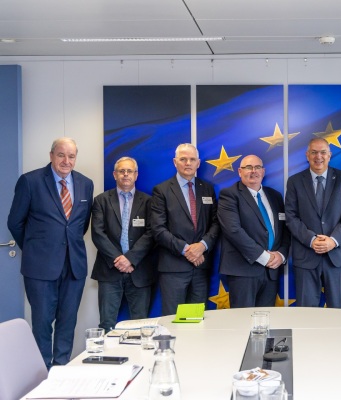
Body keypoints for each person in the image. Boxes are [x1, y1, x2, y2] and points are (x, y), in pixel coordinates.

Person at [7, 137, 94, 369]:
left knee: (68, 322)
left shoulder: (86, 184)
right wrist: (35, 248)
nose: (66, 161)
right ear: (51, 155)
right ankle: (43, 372)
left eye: (71, 156)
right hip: (40, 267)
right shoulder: (30, 181)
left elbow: (80, 224)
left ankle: (61, 369)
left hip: (74, 266)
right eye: (61, 155)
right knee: (42, 323)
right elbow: (15, 222)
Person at [285, 138, 341, 308]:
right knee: (307, 312)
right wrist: (311, 239)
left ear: (329, 155)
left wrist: (333, 240)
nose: (319, 156)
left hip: (337, 255)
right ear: (307, 155)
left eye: (323, 152)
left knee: (338, 310)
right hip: (306, 255)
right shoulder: (294, 181)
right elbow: (291, 216)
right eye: (314, 152)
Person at [151, 143, 220, 315]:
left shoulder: (208, 189)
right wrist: (187, 250)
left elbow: (216, 223)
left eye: (192, 159)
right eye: (183, 159)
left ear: (198, 163)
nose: (188, 163)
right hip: (173, 268)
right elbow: (158, 229)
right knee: (172, 320)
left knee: (195, 321)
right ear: (175, 162)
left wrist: (202, 246)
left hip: (200, 267)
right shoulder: (162, 190)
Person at [91, 157, 156, 332]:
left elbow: (151, 233)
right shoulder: (101, 200)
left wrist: (130, 259)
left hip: (139, 270)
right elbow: (98, 234)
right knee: (107, 324)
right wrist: (118, 259)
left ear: (136, 175)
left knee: (141, 325)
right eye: (122, 171)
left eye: (129, 171)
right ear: (114, 174)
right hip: (109, 270)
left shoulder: (148, 201)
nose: (125, 174)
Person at [218, 155, 290, 307]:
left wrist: (281, 255)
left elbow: (285, 230)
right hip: (243, 271)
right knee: (242, 319)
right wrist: (264, 257)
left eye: (257, 167)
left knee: (266, 318)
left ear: (263, 171)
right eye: (248, 168)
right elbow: (233, 231)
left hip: (271, 272)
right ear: (240, 171)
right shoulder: (229, 195)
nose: (253, 171)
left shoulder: (275, 196)